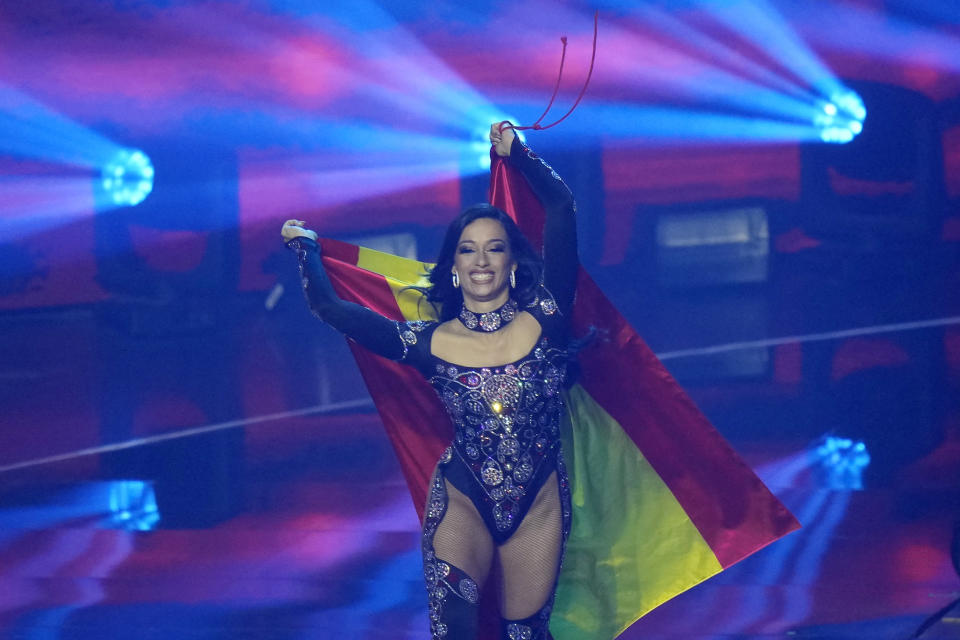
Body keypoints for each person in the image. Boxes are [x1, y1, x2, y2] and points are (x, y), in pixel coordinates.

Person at [281, 122, 576, 640]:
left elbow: (562, 208)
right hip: (463, 496)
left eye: (494, 248)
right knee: (453, 630)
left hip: (539, 505)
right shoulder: (425, 343)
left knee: (526, 634)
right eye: (467, 250)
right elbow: (329, 307)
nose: (481, 260)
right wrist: (305, 247)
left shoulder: (548, 317)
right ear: (454, 268)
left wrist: (519, 154)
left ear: (512, 263)